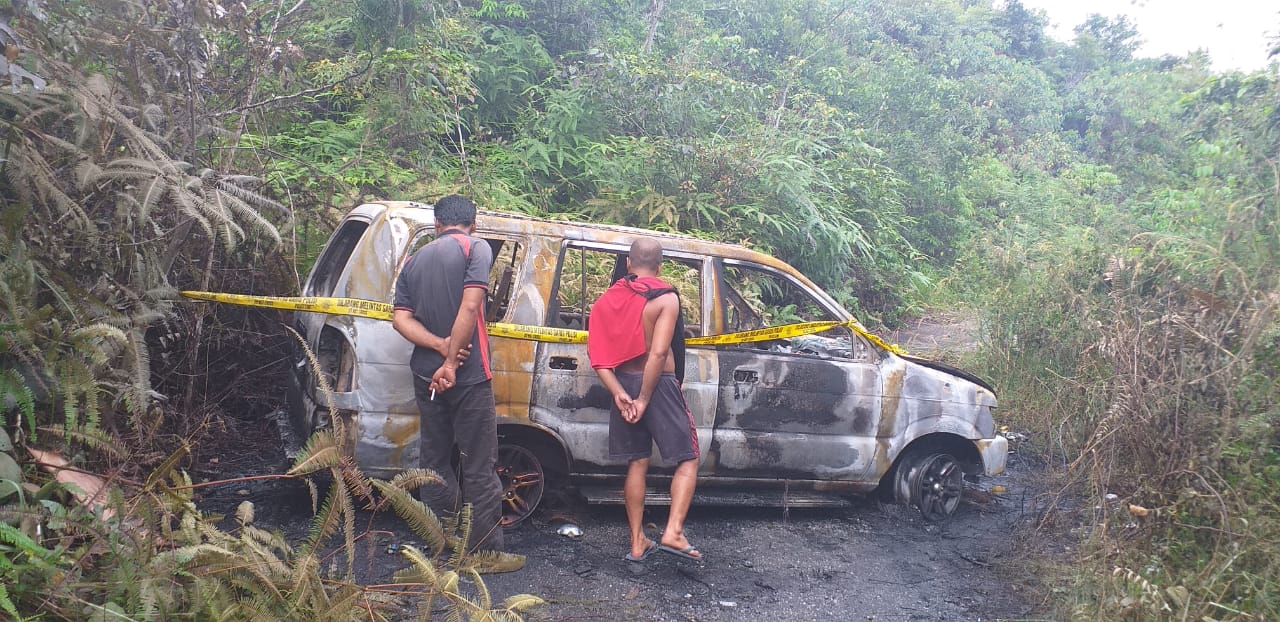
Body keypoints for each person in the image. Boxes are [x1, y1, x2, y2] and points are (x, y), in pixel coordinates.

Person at [392, 194, 506, 552]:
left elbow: (400, 319)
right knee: (478, 465)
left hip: (426, 375)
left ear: (437, 225)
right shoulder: (476, 248)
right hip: (468, 376)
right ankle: (485, 552)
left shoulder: (414, 260)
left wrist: (440, 349)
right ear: (473, 224)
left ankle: (439, 541)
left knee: (435, 460)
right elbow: (471, 305)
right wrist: (453, 362)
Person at [587, 238, 702, 562]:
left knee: (637, 461)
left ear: (627, 264)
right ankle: (673, 532)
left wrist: (620, 393)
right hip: (658, 385)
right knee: (688, 458)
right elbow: (659, 352)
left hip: (623, 381)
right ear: (660, 267)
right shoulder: (664, 297)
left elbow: (598, 357)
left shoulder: (607, 300)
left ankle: (638, 542)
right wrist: (643, 398)